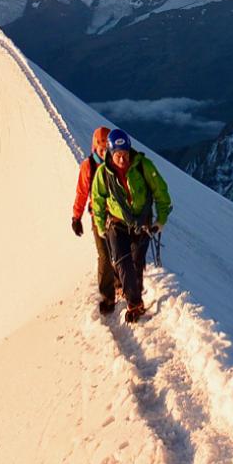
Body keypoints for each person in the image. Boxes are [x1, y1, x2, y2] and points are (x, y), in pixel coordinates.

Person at [91, 128, 173, 323]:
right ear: (110, 153)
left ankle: (133, 295)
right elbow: (97, 200)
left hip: (141, 224)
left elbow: (161, 193)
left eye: (125, 154)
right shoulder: (103, 174)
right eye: (118, 155)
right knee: (122, 261)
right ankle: (134, 303)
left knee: (136, 262)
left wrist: (160, 221)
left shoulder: (144, 166)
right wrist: (101, 225)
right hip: (117, 224)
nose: (122, 159)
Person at [71, 126, 119, 314]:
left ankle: (118, 280)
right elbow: (82, 192)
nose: (104, 152)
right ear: (94, 148)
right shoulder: (88, 167)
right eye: (101, 149)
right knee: (105, 255)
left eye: (106, 148)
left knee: (117, 250)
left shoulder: (115, 163)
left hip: (116, 215)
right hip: (98, 216)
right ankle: (108, 296)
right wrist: (76, 217)